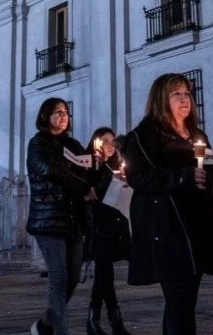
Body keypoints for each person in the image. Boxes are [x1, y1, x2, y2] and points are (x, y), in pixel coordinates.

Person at [122, 73, 213, 335]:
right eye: (177, 94)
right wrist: (183, 176)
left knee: (184, 302)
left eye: (187, 94)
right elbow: (139, 176)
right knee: (179, 300)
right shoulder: (144, 136)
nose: (185, 99)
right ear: (162, 99)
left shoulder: (196, 134)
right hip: (169, 230)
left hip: (198, 229)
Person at [27, 98, 95, 335]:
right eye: (57, 112)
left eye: (65, 112)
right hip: (48, 217)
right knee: (59, 276)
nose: (63, 116)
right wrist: (84, 187)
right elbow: (51, 169)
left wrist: (100, 162)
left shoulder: (74, 145)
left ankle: (45, 324)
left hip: (73, 218)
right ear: (45, 116)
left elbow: (87, 171)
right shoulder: (38, 144)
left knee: (73, 278)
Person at [84, 127, 131, 335]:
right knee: (106, 273)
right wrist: (105, 176)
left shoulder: (117, 166)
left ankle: (93, 321)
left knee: (104, 274)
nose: (110, 145)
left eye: (112, 141)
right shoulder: (90, 165)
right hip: (97, 225)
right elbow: (89, 193)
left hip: (115, 225)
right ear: (96, 143)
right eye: (105, 140)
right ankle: (116, 322)